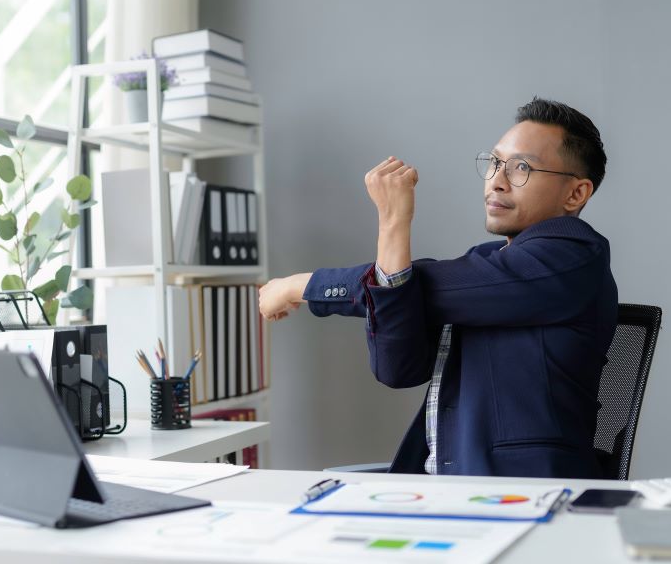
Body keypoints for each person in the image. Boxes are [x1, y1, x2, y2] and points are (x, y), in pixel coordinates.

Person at [259, 97, 617, 478]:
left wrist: (303, 283)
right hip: (445, 488)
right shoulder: (489, 264)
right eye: (495, 163)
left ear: (575, 194)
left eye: (521, 168)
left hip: (521, 494)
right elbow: (397, 368)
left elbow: (422, 287)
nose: (496, 180)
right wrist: (392, 244)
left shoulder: (571, 257)